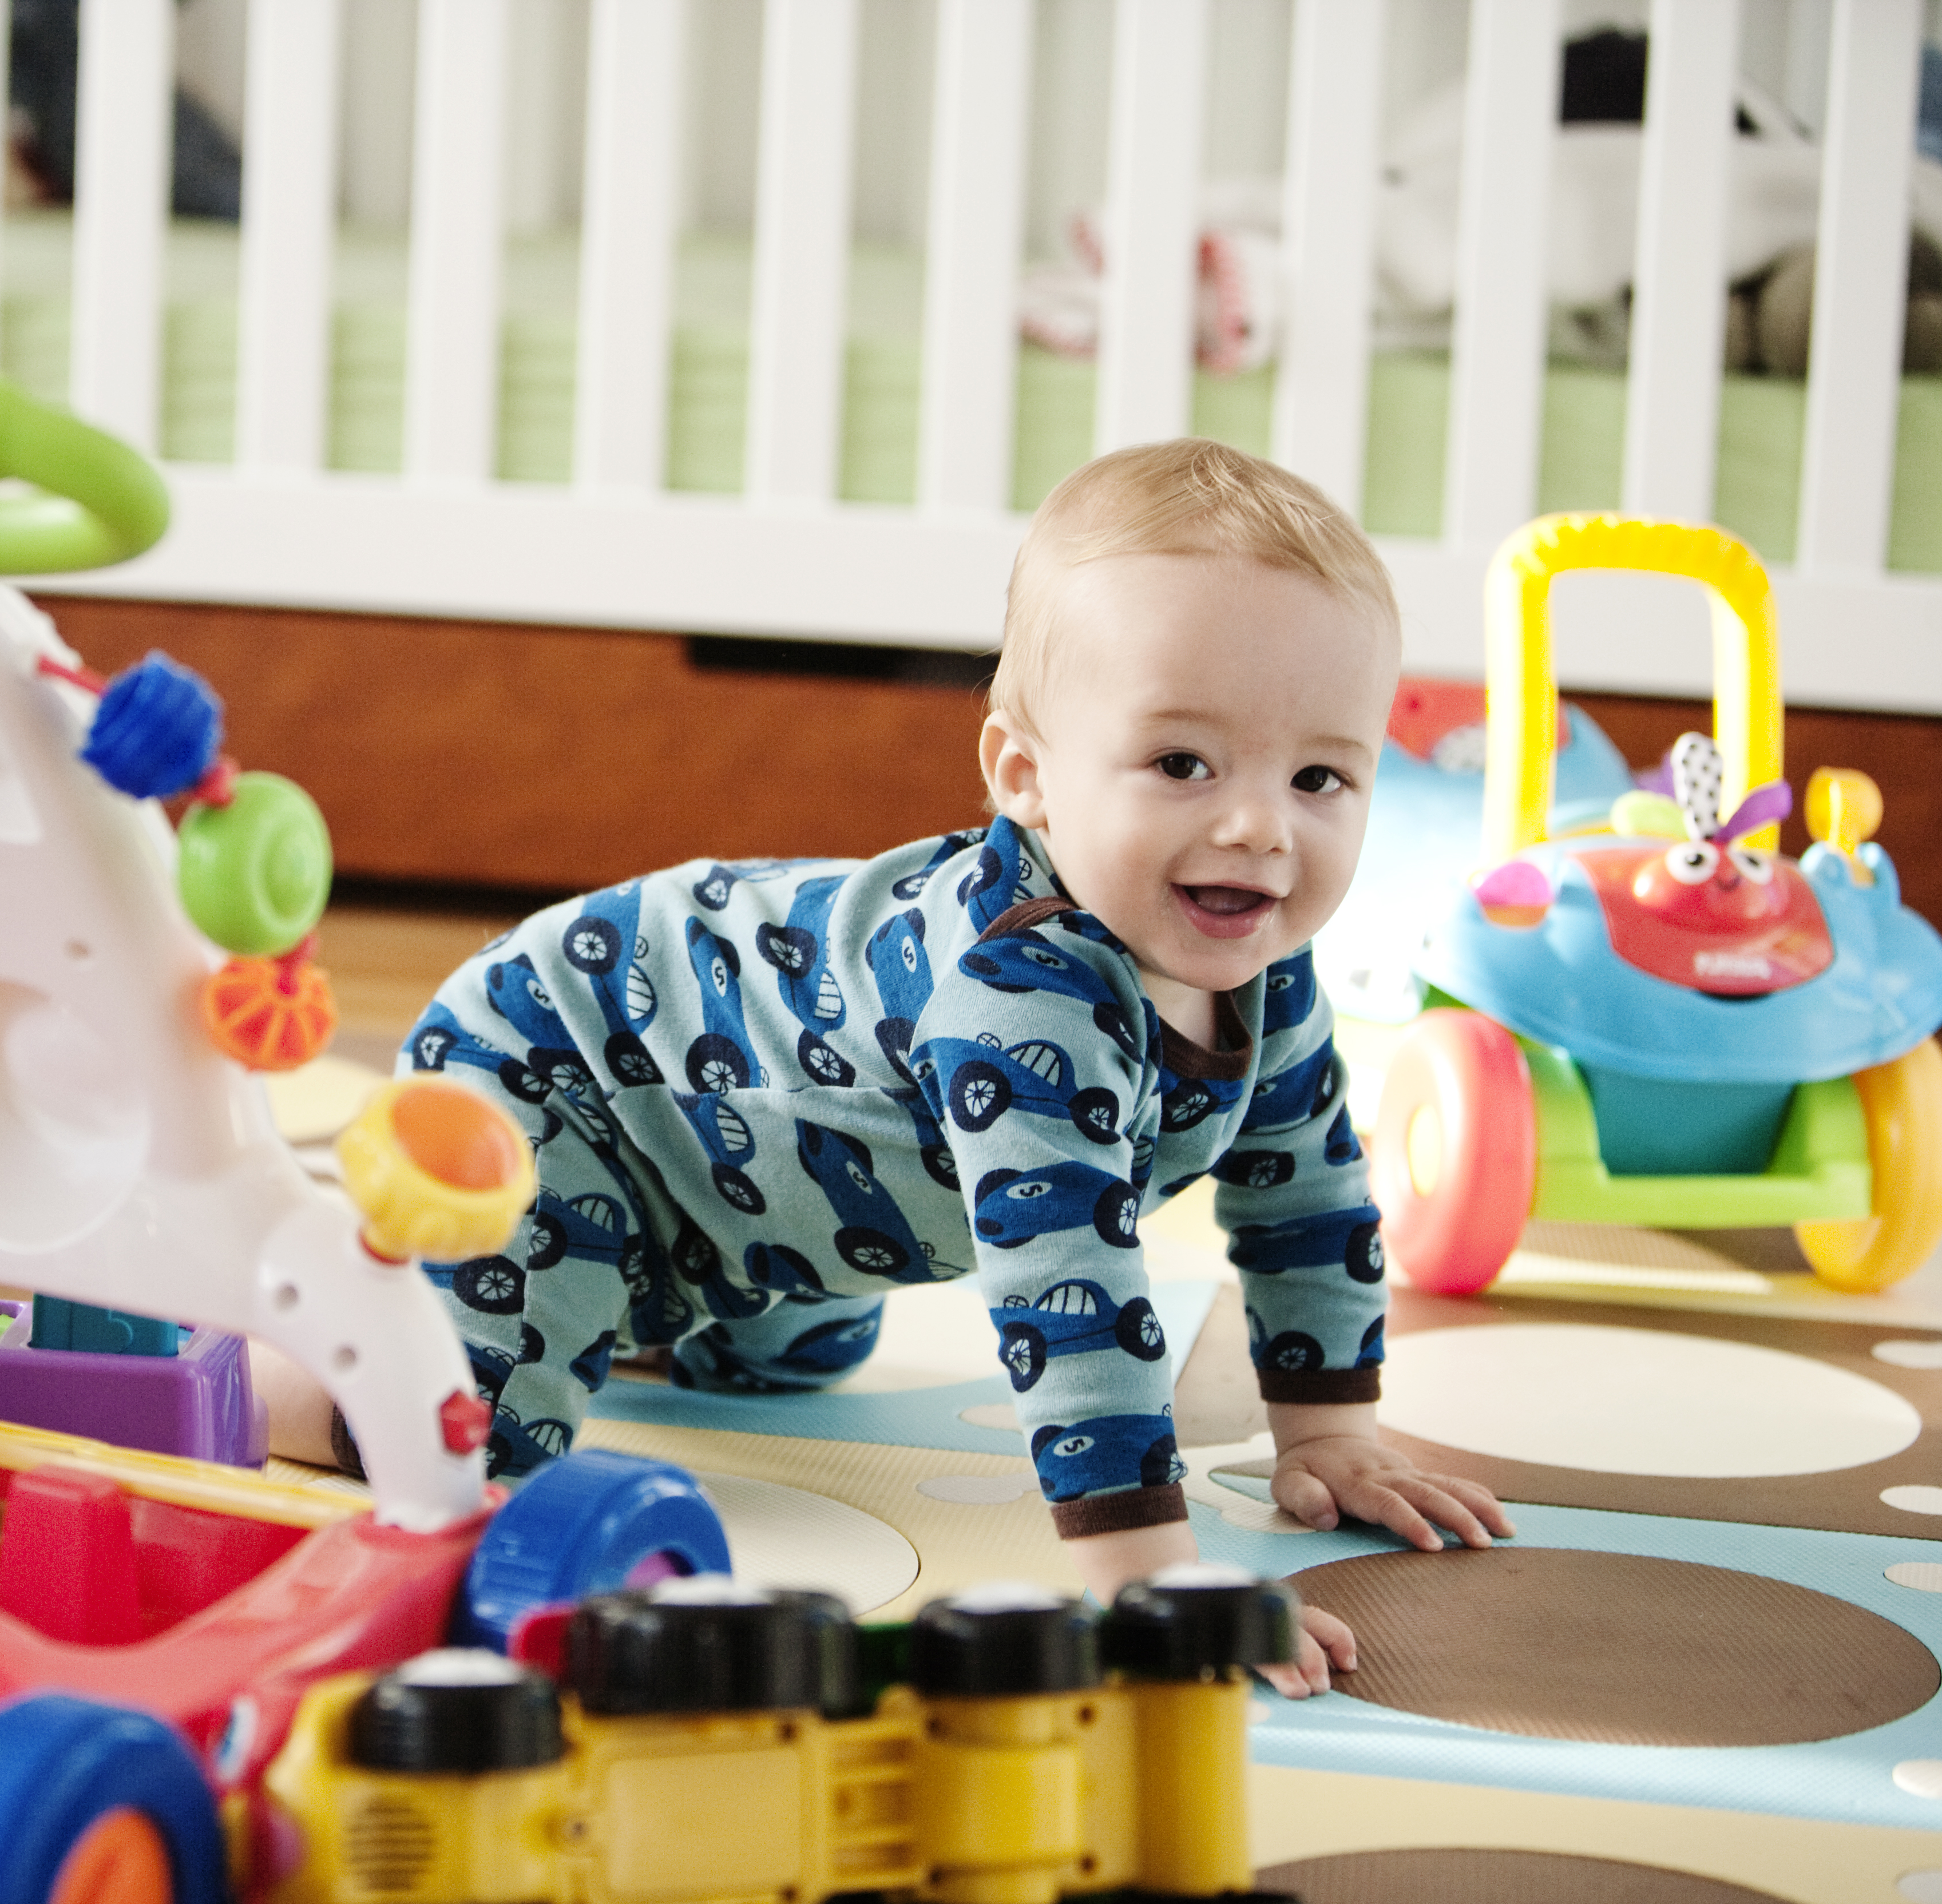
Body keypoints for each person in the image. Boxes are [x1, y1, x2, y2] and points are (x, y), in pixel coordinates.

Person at [261, 437, 1512, 1696]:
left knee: (799, 1352)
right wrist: (1148, 1576)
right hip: (564, 1066)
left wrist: (1331, 1428)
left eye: (1319, 777)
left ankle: (629, 1300)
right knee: (470, 1444)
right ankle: (268, 1381)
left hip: (754, 1175)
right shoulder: (1022, 996)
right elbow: (1068, 1287)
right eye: (1183, 763)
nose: (1260, 826)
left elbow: (1306, 1192)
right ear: (1025, 773)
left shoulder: (1263, 964)